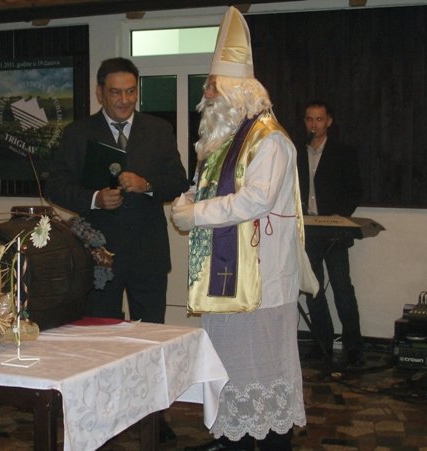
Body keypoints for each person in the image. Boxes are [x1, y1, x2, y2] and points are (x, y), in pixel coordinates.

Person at [171, 7, 306, 451]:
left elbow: (255, 200)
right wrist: (188, 200)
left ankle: (271, 441)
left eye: (212, 87)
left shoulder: (271, 140)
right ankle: (232, 438)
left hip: (262, 283)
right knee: (228, 367)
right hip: (225, 279)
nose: (205, 94)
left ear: (236, 91)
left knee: (262, 372)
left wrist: (196, 214)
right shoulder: (224, 140)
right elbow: (207, 188)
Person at [46, 57, 189, 444]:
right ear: (99, 92)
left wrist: (148, 184)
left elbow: (178, 180)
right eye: (115, 92)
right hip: (98, 255)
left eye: (130, 91)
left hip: (147, 253)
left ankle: (154, 418)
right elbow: (55, 185)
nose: (124, 100)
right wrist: (93, 198)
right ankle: (102, 417)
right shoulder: (78, 133)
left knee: (150, 341)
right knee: (101, 343)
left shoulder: (158, 129)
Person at [297, 100, 365, 366]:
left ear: (329, 121)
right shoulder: (297, 152)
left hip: (335, 229)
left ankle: (353, 346)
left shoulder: (343, 152)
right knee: (313, 290)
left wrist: (340, 214)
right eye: (309, 119)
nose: (314, 124)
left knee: (342, 289)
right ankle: (322, 342)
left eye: (319, 119)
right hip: (308, 228)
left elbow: (355, 190)